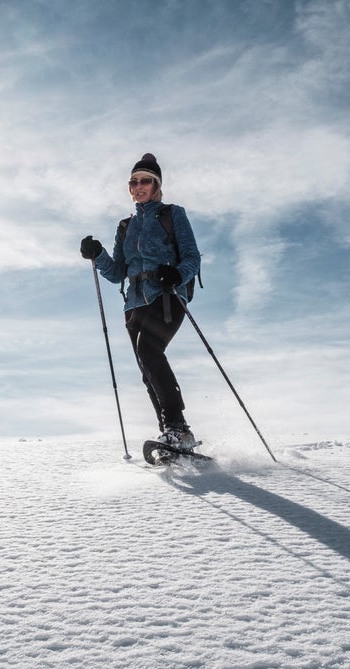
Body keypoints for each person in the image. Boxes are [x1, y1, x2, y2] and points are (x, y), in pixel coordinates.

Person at [80, 153, 201, 451]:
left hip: (168, 295)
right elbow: (117, 272)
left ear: (157, 185)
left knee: (148, 349)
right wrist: (97, 255)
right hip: (133, 304)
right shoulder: (125, 226)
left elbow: (192, 257)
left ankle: (177, 427)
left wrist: (176, 274)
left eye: (145, 180)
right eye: (133, 182)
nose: (139, 186)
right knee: (146, 367)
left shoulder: (173, 214)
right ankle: (170, 435)